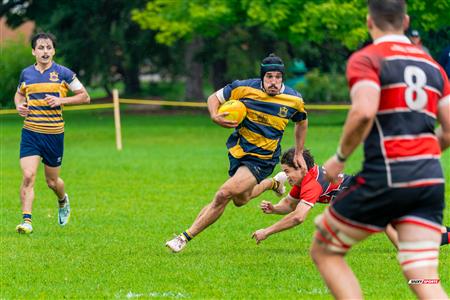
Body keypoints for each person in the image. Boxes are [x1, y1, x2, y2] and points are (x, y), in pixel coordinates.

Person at [310, 1, 450, 299]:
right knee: (422, 275)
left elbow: (363, 112)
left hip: (386, 176)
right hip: (429, 180)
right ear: (406, 20)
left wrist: (339, 159)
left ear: (369, 21)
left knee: (325, 249)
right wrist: (423, 153)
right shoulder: (433, 66)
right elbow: (449, 129)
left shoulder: (368, 58)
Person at [166, 53, 308, 252]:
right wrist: (215, 116)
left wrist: (299, 152)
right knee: (240, 200)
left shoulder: (293, 99)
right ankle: (274, 183)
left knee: (223, 194)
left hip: (263, 158)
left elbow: (301, 122)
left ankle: (184, 237)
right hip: (239, 151)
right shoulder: (243, 88)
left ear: (282, 78)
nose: (274, 81)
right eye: (269, 77)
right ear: (262, 77)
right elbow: (213, 98)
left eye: (278, 77)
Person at [250, 148, 450, 247]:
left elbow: (298, 217)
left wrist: (267, 231)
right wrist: (275, 209)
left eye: (287, 171)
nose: (286, 176)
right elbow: (289, 204)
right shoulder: (305, 180)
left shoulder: (311, 183)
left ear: (301, 168)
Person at [14, 32, 90, 234]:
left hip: (54, 134)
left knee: (52, 182)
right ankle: (27, 221)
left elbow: (85, 97)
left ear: (54, 51)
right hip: (30, 133)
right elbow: (19, 94)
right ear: (33, 51)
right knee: (29, 176)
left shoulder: (64, 73)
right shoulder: (26, 74)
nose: (45, 51)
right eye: (41, 48)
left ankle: (63, 200)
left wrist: (61, 101)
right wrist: (19, 106)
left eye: (48, 47)